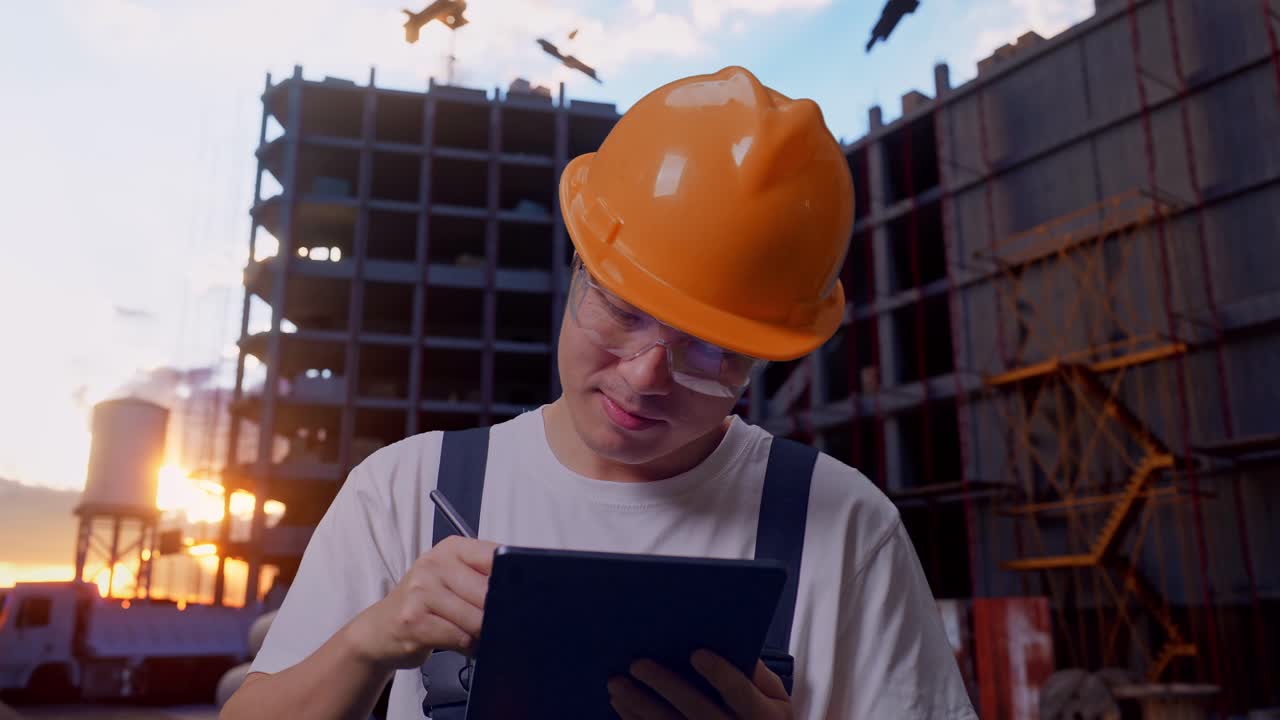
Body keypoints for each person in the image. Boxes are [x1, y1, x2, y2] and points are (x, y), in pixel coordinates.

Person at [220, 66, 976, 720]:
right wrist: (369, 639)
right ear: (579, 266)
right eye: (621, 309)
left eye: (707, 351)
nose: (644, 376)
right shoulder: (407, 493)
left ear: (760, 357)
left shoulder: (843, 529)